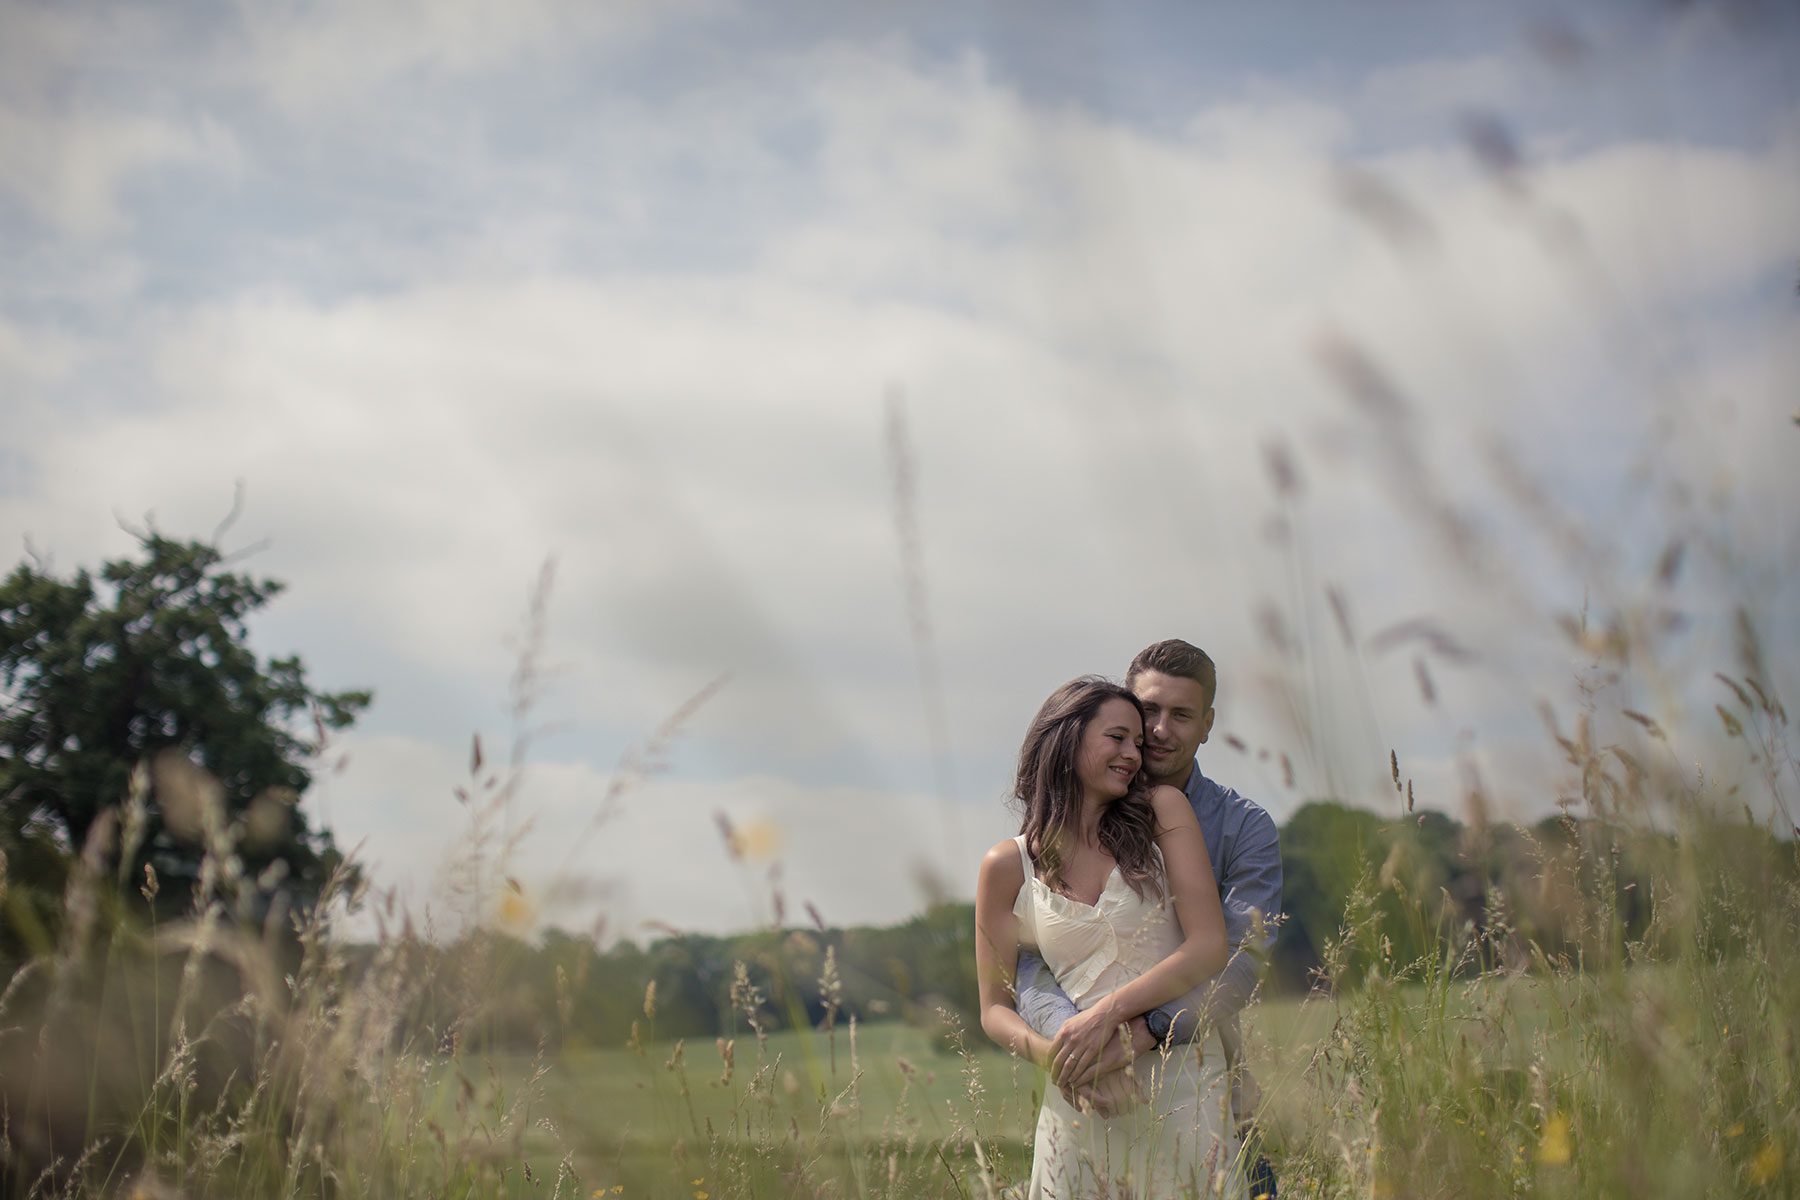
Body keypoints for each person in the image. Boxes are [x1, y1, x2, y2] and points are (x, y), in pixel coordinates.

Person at [1015, 641, 1283, 1184]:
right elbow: (1029, 961)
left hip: (1205, 1082)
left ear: (1207, 724)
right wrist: (1074, 1048)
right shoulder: (1065, 820)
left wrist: (1141, 1034)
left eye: (1181, 715)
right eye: (1148, 711)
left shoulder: (1243, 827)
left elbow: (1242, 958)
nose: (1160, 729)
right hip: (1089, 1088)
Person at [974, 676, 1242, 1198]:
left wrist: (1107, 1016)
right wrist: (1060, 1059)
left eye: (1138, 744)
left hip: (1181, 1086)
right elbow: (994, 1008)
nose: (1133, 755)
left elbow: (1208, 945)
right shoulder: (1007, 866)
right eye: (1117, 738)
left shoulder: (1164, 811)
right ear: (1067, 739)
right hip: (1079, 1102)